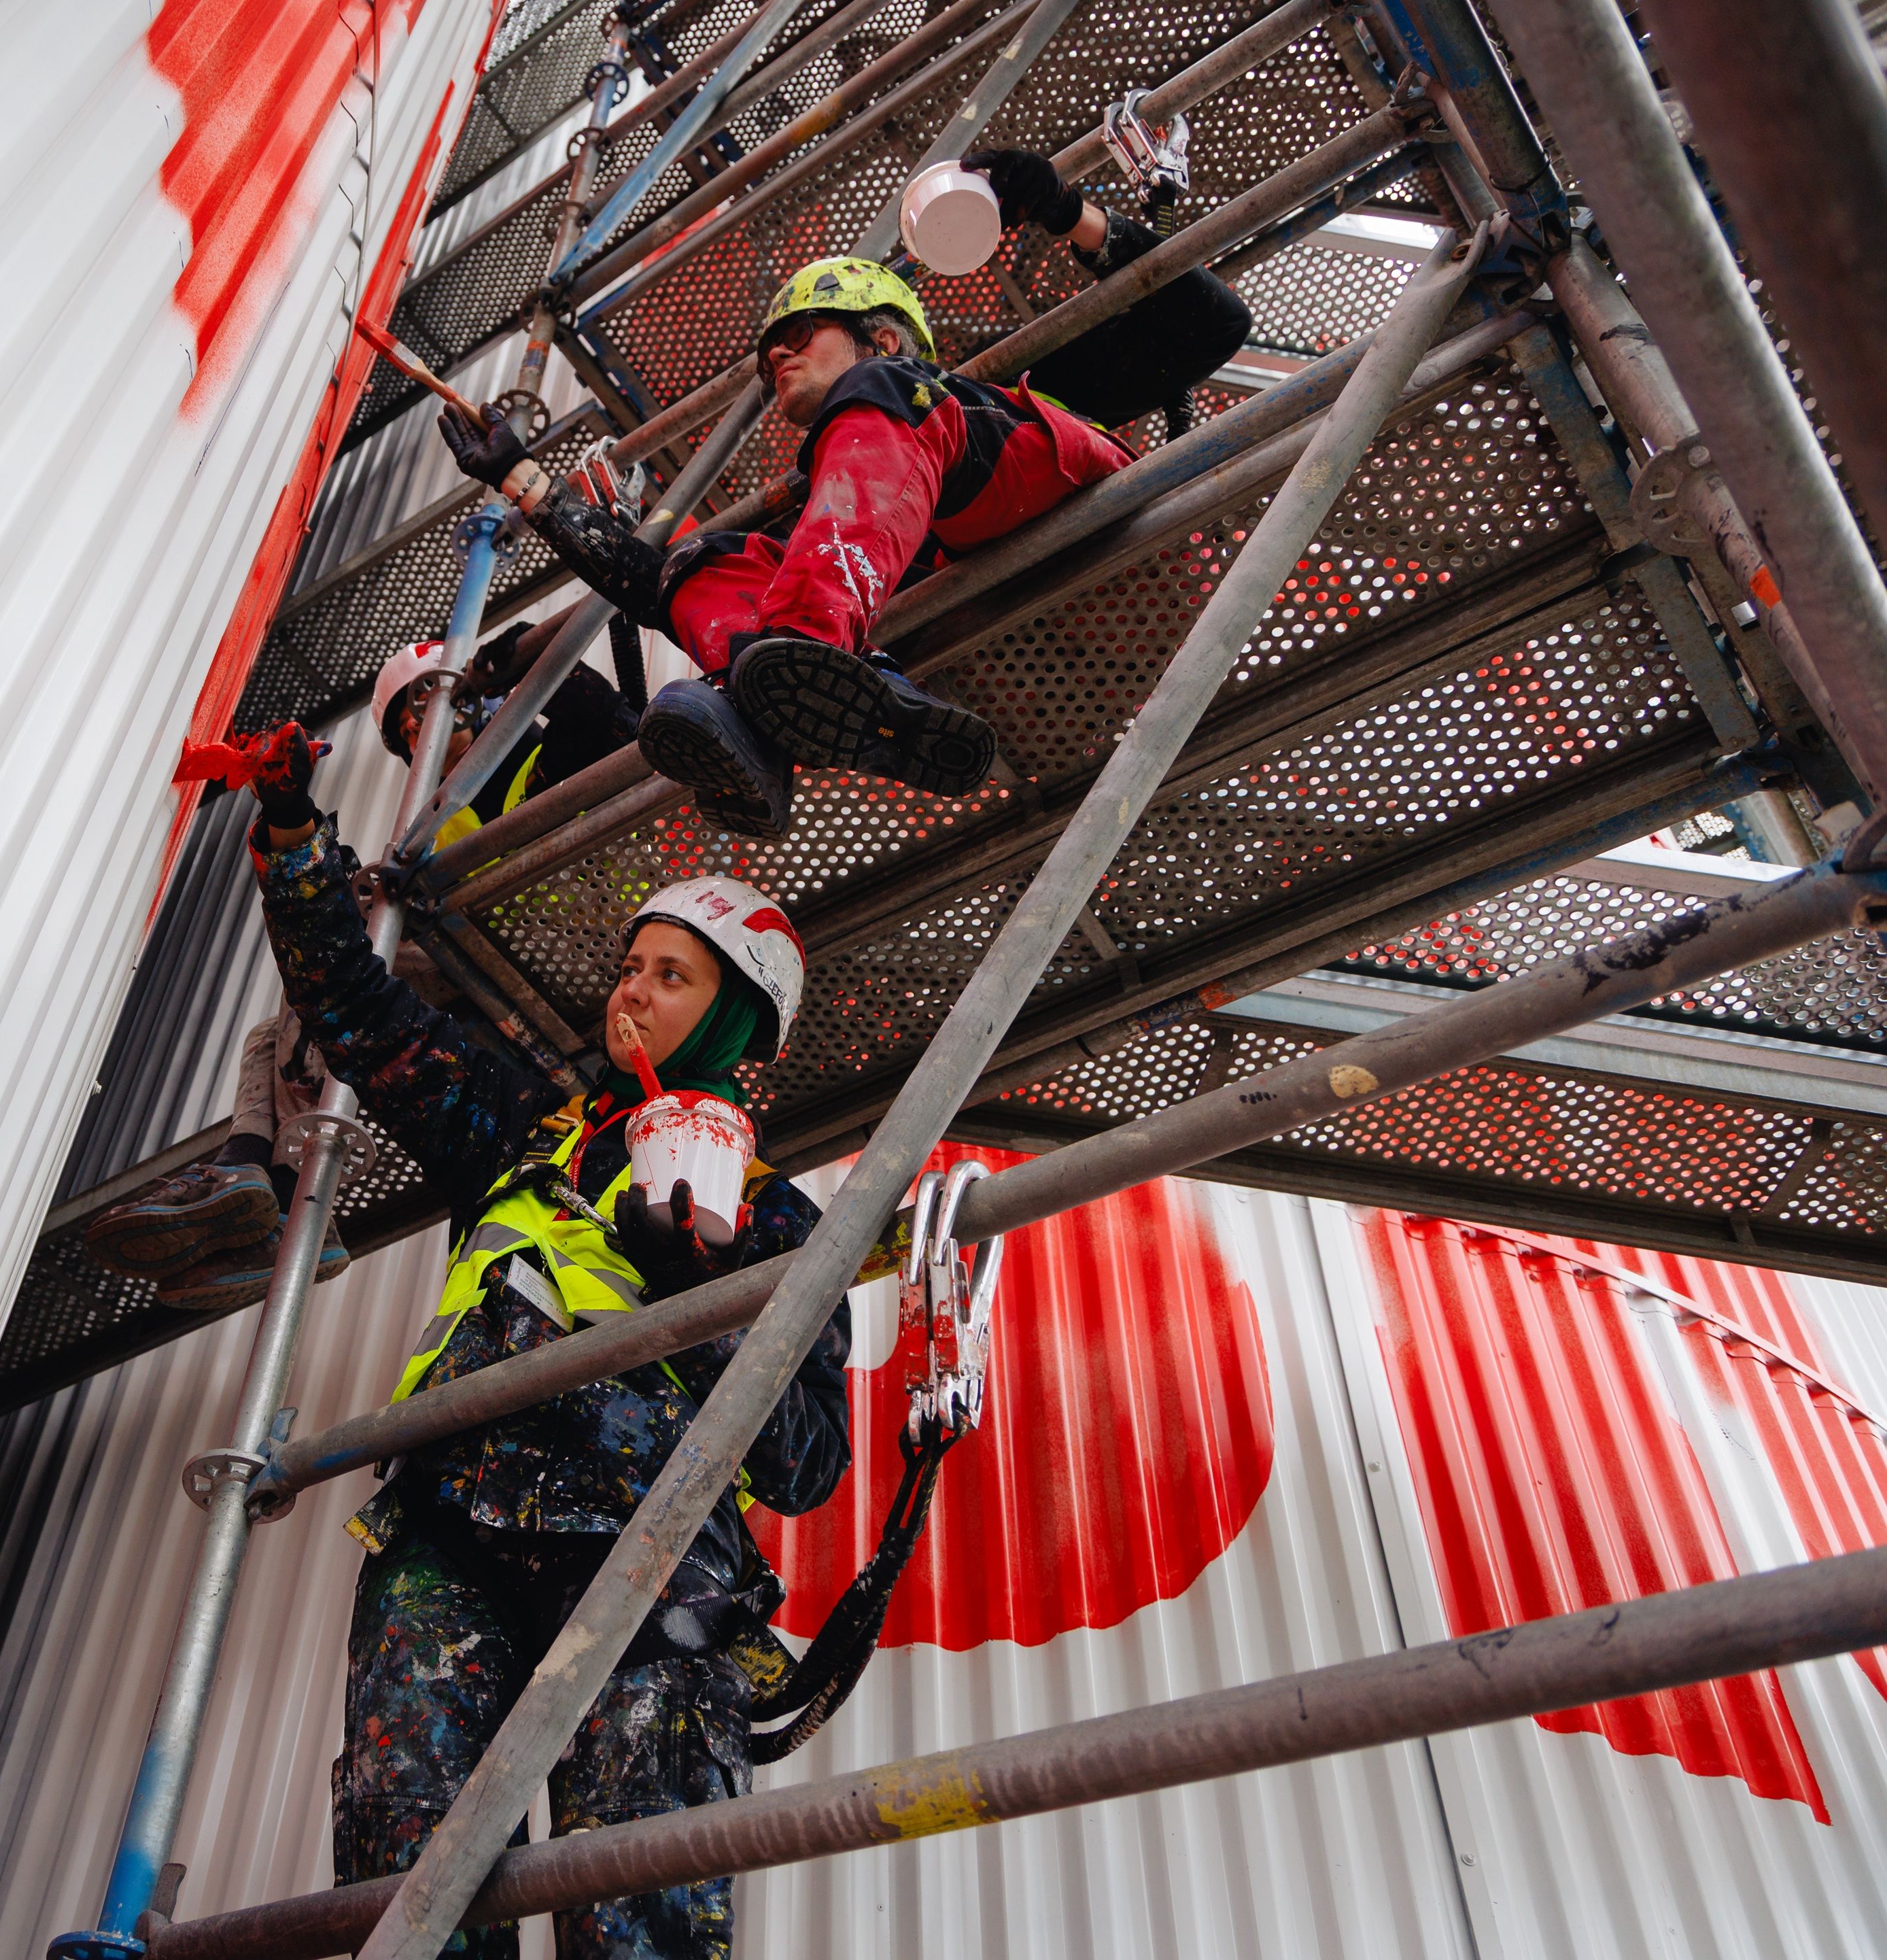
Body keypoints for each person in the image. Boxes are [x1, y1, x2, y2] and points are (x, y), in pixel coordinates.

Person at [235, 723, 850, 1960]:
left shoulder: (785, 1221)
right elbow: (357, 1011)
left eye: (672, 976)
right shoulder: (529, 1132)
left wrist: (708, 1291)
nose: (630, 988)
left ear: (740, 1023)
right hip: (445, 1542)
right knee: (403, 1888)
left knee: (641, 1905)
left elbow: (803, 1466)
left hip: (647, 1569)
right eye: (630, 966)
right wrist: (296, 839)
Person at [438, 146, 1251, 842]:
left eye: (800, 337)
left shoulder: (963, 392)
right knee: (702, 561)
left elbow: (1213, 326)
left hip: (1084, 520)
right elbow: (654, 590)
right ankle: (770, 726)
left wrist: (1065, 209)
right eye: (770, 358)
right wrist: (524, 482)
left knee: (882, 416)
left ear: (885, 334)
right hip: (992, 628)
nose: (778, 360)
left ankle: (798, 667)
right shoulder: (853, 503)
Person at [84, 618, 638, 1309]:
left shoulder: (545, 765)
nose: (418, 729)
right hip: (490, 981)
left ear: (477, 697)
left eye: (426, 705)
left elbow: (606, 718)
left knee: (349, 961)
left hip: (559, 958)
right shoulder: (439, 821)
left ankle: (273, 1187)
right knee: (281, 1027)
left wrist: (518, 655)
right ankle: (256, 1173)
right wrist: (302, 828)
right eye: (404, 723)